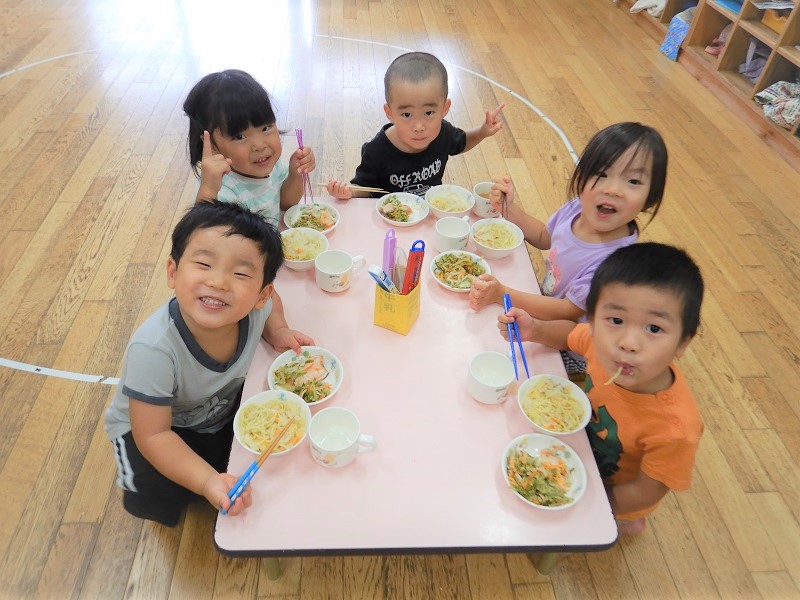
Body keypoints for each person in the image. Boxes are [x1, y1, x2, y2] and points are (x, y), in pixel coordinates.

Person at [105, 201, 314, 527]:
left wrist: (279, 329)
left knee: (232, 465)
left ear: (260, 293)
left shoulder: (258, 308)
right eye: (204, 264)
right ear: (173, 272)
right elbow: (154, 436)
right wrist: (205, 481)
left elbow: (274, 304)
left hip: (213, 413)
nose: (218, 281)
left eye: (241, 273)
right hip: (152, 429)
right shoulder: (154, 350)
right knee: (159, 493)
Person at [499, 243, 704, 534]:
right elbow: (571, 334)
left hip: (618, 487)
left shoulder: (676, 430)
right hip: (582, 444)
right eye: (616, 320)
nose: (628, 343)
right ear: (593, 321)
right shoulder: (599, 344)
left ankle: (630, 523)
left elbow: (646, 491)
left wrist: (595, 504)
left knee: (614, 522)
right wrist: (535, 330)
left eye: (654, 328)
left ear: (683, 342)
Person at [326, 51, 504, 199]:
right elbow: (363, 187)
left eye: (428, 113)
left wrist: (482, 131)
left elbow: (462, 142)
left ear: (445, 108)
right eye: (406, 115)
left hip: (429, 210)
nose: (419, 126)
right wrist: (347, 192)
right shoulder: (376, 150)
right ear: (389, 113)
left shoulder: (443, 133)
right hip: (390, 219)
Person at [183, 69, 317, 226]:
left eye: (266, 128)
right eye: (239, 137)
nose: (260, 145)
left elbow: (285, 203)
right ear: (212, 145)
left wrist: (295, 174)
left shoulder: (268, 163)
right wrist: (208, 189)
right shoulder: (220, 190)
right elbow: (201, 237)